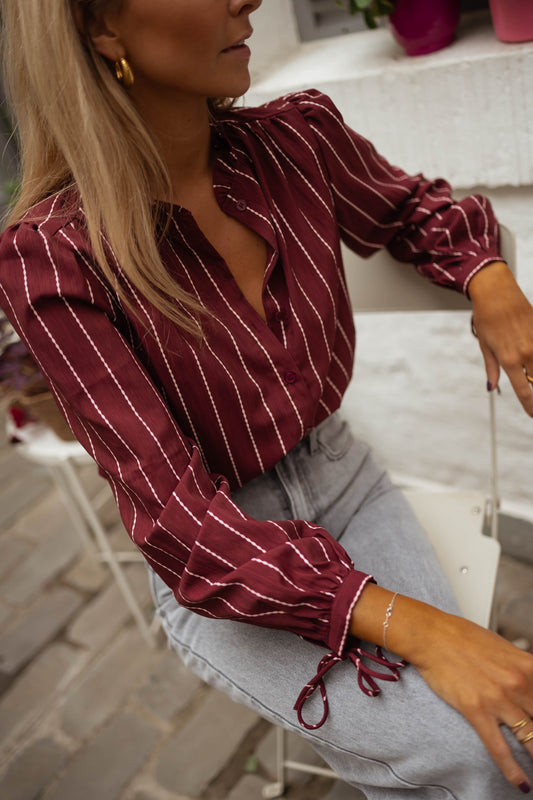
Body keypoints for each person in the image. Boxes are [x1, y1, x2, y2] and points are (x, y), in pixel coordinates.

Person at [1, 1, 533, 797]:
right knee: (472, 751)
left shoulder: (296, 141)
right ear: (102, 28)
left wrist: (488, 280)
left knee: (496, 736)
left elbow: (407, 208)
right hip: (224, 560)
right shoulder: (54, 259)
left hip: (347, 483)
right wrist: (423, 629)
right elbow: (179, 524)